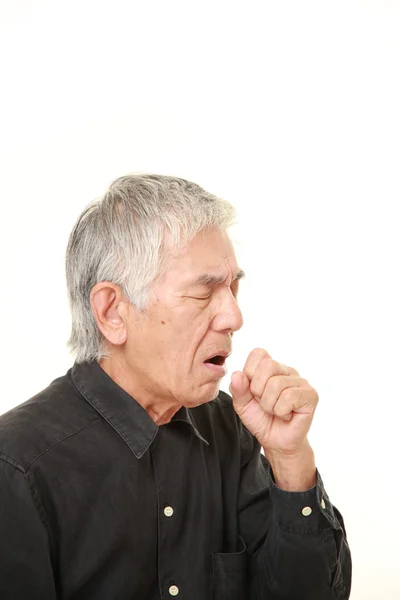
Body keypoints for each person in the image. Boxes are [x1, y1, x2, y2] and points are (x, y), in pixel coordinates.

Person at [0, 174, 351, 599]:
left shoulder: (231, 427)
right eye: (204, 294)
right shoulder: (17, 468)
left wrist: (290, 459)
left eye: (233, 288)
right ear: (113, 312)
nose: (233, 317)